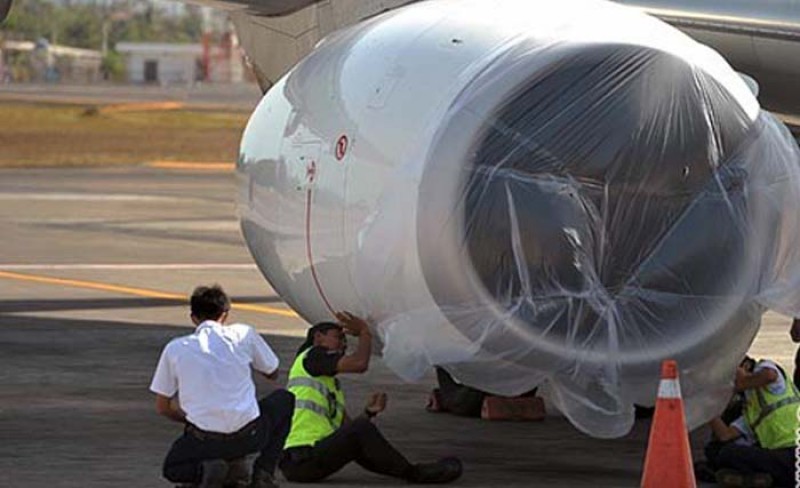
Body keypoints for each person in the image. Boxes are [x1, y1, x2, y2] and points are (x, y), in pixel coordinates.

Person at [278, 312, 463, 484]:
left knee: (360, 430)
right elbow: (359, 364)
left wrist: (368, 413)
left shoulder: (326, 386)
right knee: (361, 429)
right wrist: (365, 333)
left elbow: (349, 431)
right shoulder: (312, 356)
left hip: (307, 460)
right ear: (318, 337)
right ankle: (414, 473)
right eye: (338, 337)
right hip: (301, 458)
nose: (343, 344)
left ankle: (409, 472)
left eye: (345, 340)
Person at [150, 285, 295, 488]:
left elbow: (163, 407)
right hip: (249, 436)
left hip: (205, 441)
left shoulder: (175, 348)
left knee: (173, 468)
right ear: (225, 314)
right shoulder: (244, 334)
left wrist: (190, 419)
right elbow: (272, 371)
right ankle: (263, 473)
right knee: (285, 399)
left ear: (193, 317)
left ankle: (207, 470)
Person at [711, 355, 800, 488]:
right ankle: (764, 479)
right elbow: (725, 435)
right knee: (725, 453)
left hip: (795, 451)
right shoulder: (752, 409)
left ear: (745, 366)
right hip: (779, 456)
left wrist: (743, 381)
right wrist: (706, 410)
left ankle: (760, 479)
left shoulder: (765, 368)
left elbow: (769, 375)